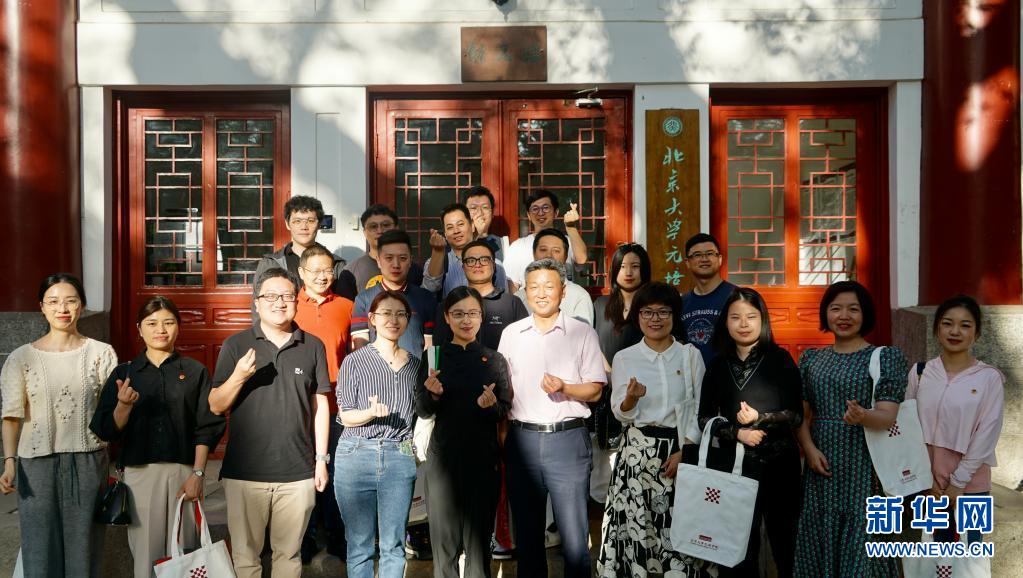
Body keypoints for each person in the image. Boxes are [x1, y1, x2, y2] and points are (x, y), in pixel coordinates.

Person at [90, 296, 226, 578]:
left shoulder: (194, 371)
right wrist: (123, 406)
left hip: (184, 473)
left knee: (185, 552)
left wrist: (198, 474)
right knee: (146, 555)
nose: (160, 329)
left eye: (168, 322)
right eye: (151, 323)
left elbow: (207, 425)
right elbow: (106, 430)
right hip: (141, 475)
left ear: (178, 327)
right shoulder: (126, 373)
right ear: (139, 329)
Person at [208, 268, 332, 578]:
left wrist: (321, 460)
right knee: (245, 558)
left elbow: (320, 406)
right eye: (271, 296)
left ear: (296, 301)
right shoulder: (236, 345)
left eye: (287, 296)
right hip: (245, 473)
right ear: (257, 302)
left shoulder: (312, 346)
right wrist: (239, 376)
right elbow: (216, 404)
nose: (280, 302)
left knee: (288, 556)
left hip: (297, 472)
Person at [0, 273, 118, 578]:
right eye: (53, 301)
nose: (62, 308)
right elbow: (11, 415)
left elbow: (110, 414)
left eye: (70, 301)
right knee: (39, 549)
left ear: (82, 305)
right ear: (41, 306)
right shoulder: (21, 358)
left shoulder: (101, 353)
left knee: (85, 550)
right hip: (36, 465)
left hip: (88, 460)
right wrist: (10, 462)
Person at [498, 258, 605, 578]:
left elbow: (596, 390)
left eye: (549, 286)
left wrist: (565, 387)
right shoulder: (512, 334)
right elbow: (504, 390)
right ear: (525, 292)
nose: (541, 293)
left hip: (567, 440)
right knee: (528, 537)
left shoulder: (582, 332)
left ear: (563, 291)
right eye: (534, 287)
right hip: (523, 440)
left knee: (574, 538)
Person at [794, 280, 907, 578]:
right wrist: (809, 449)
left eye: (853, 309)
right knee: (820, 531)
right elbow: (801, 415)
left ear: (865, 314)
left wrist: (863, 416)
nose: (844, 316)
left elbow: (887, 417)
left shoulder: (884, 357)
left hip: (865, 465)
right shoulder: (811, 359)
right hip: (821, 464)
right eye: (836, 308)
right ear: (826, 313)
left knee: (863, 537)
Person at [597, 281, 707, 578]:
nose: (655, 319)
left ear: (674, 315)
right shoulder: (625, 357)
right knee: (638, 534)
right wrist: (631, 398)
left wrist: (685, 451)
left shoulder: (690, 355)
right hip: (637, 457)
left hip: (678, 452)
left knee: (678, 535)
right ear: (638, 316)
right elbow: (620, 413)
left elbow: (700, 408)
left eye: (663, 312)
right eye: (647, 312)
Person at [697, 287, 803, 577]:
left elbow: (796, 415)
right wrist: (737, 433)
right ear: (725, 322)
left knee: (786, 543)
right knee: (739, 548)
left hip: (781, 466)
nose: (743, 324)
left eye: (751, 316)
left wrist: (760, 418)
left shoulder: (780, 360)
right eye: (735, 317)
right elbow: (704, 418)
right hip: (735, 467)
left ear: (762, 320)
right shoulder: (717, 365)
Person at [416, 286, 512, 578]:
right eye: (458, 314)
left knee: (478, 548)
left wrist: (490, 405)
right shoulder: (433, 357)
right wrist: (432, 395)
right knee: (444, 547)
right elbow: (422, 410)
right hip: (443, 461)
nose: (466, 320)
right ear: (447, 317)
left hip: (483, 461)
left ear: (482, 316)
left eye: (472, 313)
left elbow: (504, 410)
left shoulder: (494, 360)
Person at [335, 290, 426, 578]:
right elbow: (345, 415)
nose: (393, 320)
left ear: (408, 320)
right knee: (360, 545)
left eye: (400, 314)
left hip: (399, 453)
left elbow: (421, 412)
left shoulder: (415, 365)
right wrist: (370, 413)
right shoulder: (354, 361)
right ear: (372, 319)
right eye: (386, 313)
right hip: (356, 452)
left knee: (394, 545)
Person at [907, 294, 1004, 545]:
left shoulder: (989, 378)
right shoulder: (920, 373)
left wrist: (958, 483)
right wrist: (925, 479)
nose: (955, 331)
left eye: (965, 325)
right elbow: (908, 428)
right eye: (947, 323)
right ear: (936, 328)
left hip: (971, 487)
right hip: (927, 485)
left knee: (968, 557)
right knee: (928, 557)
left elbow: (987, 433)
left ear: (977, 333)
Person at [294, 244, 356, 561]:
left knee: (335, 472)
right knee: (300, 473)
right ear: (301, 273)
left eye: (328, 270)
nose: (322, 276)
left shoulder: (347, 306)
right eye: (315, 270)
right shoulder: (289, 306)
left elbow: (355, 355)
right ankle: (304, 539)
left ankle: (336, 536)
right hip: (297, 405)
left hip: (336, 405)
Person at [589, 243, 650, 503]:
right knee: (604, 473)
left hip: (643, 393)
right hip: (607, 392)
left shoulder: (651, 307)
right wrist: (610, 374)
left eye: (635, 266)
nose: (629, 272)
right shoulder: (601, 304)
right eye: (623, 266)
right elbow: (591, 343)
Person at [252, 195, 349, 308]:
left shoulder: (336, 265)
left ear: (319, 224)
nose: (304, 227)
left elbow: (345, 306)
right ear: (287, 224)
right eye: (297, 221)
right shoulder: (270, 263)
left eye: (310, 221)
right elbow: (258, 306)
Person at [351, 230, 437, 356]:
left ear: (410, 261)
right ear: (378, 261)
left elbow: (430, 346)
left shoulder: (425, 298)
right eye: (389, 258)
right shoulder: (363, 299)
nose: (396, 265)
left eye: (402, 258)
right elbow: (360, 346)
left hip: (416, 368)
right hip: (375, 368)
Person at [433, 239, 528, 350]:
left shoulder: (512, 303)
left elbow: (524, 344)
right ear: (463, 267)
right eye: (471, 261)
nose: (477, 265)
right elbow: (439, 348)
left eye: (484, 260)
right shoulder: (449, 304)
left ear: (493, 265)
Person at [503, 189, 588, 289]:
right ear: (528, 215)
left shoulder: (567, 241)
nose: (540, 213)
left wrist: (571, 227)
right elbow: (512, 285)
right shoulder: (518, 246)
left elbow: (581, 259)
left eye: (546, 208)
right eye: (535, 209)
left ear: (556, 212)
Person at [423, 203, 509, 298]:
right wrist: (437, 252)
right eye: (450, 227)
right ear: (445, 234)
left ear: (472, 226)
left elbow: (503, 300)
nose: (456, 231)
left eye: (460, 224)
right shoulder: (437, 263)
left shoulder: (495, 264)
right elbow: (428, 291)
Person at [339, 204, 424, 296]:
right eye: (373, 226)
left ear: (396, 228)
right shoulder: (350, 272)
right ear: (364, 232)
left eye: (386, 225)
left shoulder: (413, 269)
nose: (380, 231)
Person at [514, 228, 595, 326]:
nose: (549, 255)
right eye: (543, 250)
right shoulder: (518, 298)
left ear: (566, 257)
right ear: (534, 254)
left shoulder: (579, 296)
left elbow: (584, 333)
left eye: (556, 251)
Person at [678, 233, 737, 365]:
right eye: (697, 255)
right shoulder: (681, 303)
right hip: (693, 375)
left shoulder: (737, 296)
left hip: (729, 373)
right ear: (687, 262)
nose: (704, 259)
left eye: (710, 254)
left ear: (720, 259)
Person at [464, 185, 507, 262]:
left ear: (492, 213)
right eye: (473, 208)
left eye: (485, 207)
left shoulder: (503, 243)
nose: (480, 213)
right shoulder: (456, 241)